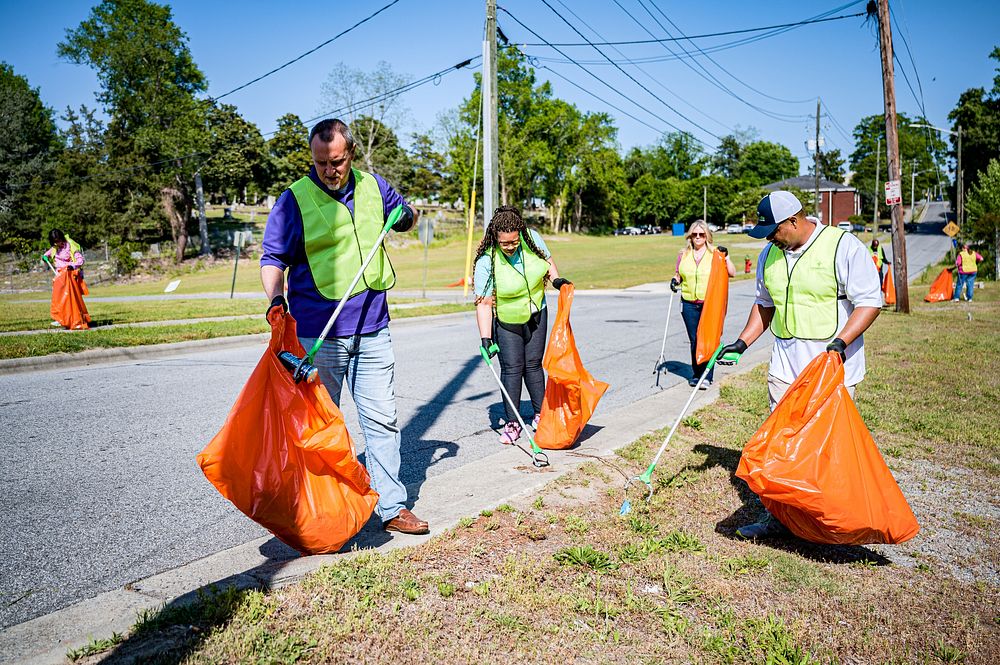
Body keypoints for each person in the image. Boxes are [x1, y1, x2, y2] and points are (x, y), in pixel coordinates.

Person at [260, 118, 429, 536]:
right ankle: (325, 515)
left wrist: (406, 217)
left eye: (335, 161)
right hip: (319, 336)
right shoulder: (293, 201)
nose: (329, 170)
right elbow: (272, 260)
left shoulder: (374, 186)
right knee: (321, 428)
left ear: (350, 153)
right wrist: (276, 302)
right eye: (320, 163)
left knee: (382, 420)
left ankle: (392, 507)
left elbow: (406, 214)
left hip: (373, 328)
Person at [717, 191, 882, 539]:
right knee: (780, 448)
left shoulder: (842, 246)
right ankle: (778, 519)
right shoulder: (770, 254)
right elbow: (765, 304)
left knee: (825, 450)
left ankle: (829, 523)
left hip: (831, 370)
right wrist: (742, 342)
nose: (771, 238)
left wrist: (840, 344)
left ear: (794, 220)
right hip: (784, 369)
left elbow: (870, 302)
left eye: (774, 230)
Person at [474, 206, 569, 444]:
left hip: (537, 311)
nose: (510, 246)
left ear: (520, 233)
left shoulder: (531, 239)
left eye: (513, 241)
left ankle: (541, 415)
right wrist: (486, 338)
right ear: (495, 237)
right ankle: (513, 422)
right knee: (512, 368)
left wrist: (556, 280)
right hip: (507, 319)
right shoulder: (487, 261)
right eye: (504, 243)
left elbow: (547, 261)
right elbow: (484, 303)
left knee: (534, 365)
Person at [670, 220, 735, 389]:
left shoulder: (715, 253)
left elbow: (732, 273)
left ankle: (707, 376)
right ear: (690, 236)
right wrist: (674, 281)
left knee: (708, 340)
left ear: (707, 236)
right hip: (689, 303)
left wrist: (726, 257)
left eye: (701, 234)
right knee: (694, 340)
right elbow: (679, 274)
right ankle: (696, 374)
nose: (698, 237)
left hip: (709, 303)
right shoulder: (683, 255)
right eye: (695, 234)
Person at [43, 229, 87, 327]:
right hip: (60, 277)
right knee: (59, 299)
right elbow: (48, 253)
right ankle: (61, 319)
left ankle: (78, 319)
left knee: (70, 300)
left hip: (70, 276)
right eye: (55, 242)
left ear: (62, 238)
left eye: (58, 240)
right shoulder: (55, 247)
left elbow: (80, 260)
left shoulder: (70, 246)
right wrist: (45, 256)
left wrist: (72, 265)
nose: (57, 243)